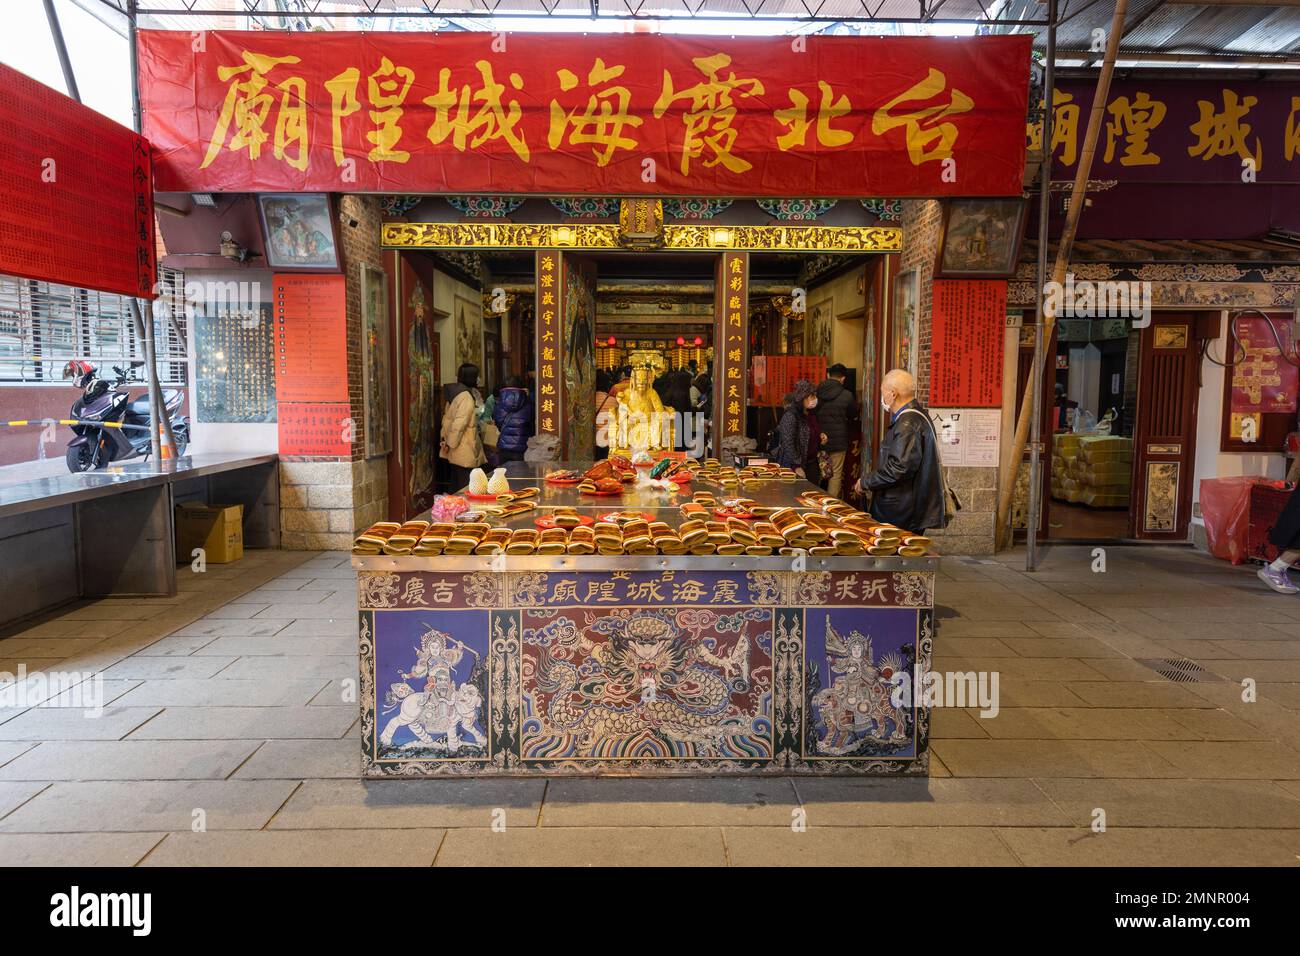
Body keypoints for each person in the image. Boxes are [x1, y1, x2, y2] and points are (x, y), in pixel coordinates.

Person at [854, 368, 945, 533]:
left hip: (901, 510)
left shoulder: (908, 423)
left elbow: (899, 468)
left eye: (883, 393)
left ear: (893, 393)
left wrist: (866, 481)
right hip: (904, 505)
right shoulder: (915, 416)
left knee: (895, 555)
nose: (882, 398)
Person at [440, 363, 485, 492]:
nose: (478, 379)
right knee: (465, 487)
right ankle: (460, 511)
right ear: (471, 377)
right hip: (463, 447)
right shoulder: (466, 397)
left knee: (456, 483)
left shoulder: (455, 394)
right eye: (477, 376)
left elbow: (447, 420)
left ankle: (452, 510)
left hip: (454, 448)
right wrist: (450, 444)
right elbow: (458, 425)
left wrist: (445, 442)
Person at [816, 363, 857, 498]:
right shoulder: (847, 395)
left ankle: (814, 504)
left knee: (818, 473)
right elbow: (853, 414)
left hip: (819, 440)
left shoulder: (817, 392)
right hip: (838, 442)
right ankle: (830, 508)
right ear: (843, 378)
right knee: (835, 476)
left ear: (828, 375)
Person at [774, 379, 820, 479]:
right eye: (811, 396)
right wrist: (796, 465)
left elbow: (812, 433)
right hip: (793, 466)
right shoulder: (790, 416)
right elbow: (788, 442)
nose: (815, 399)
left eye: (815, 396)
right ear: (802, 398)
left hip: (811, 463)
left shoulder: (811, 414)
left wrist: (821, 436)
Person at [493, 375, 534, 465]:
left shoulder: (498, 404)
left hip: (504, 448)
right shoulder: (528, 403)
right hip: (523, 448)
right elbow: (532, 427)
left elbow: (497, 423)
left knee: (505, 477)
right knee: (521, 476)